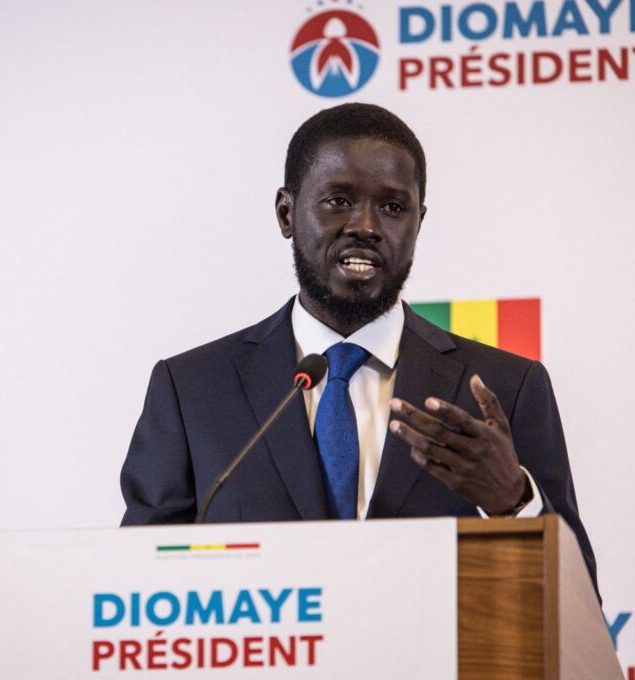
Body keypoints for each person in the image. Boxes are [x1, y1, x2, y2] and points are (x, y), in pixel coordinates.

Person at [119, 103, 598, 594]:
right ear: (287, 212)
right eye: (339, 201)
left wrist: (514, 502)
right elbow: (138, 594)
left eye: (392, 207)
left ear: (419, 222)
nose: (366, 226)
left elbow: (580, 606)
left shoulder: (507, 389)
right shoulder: (194, 391)